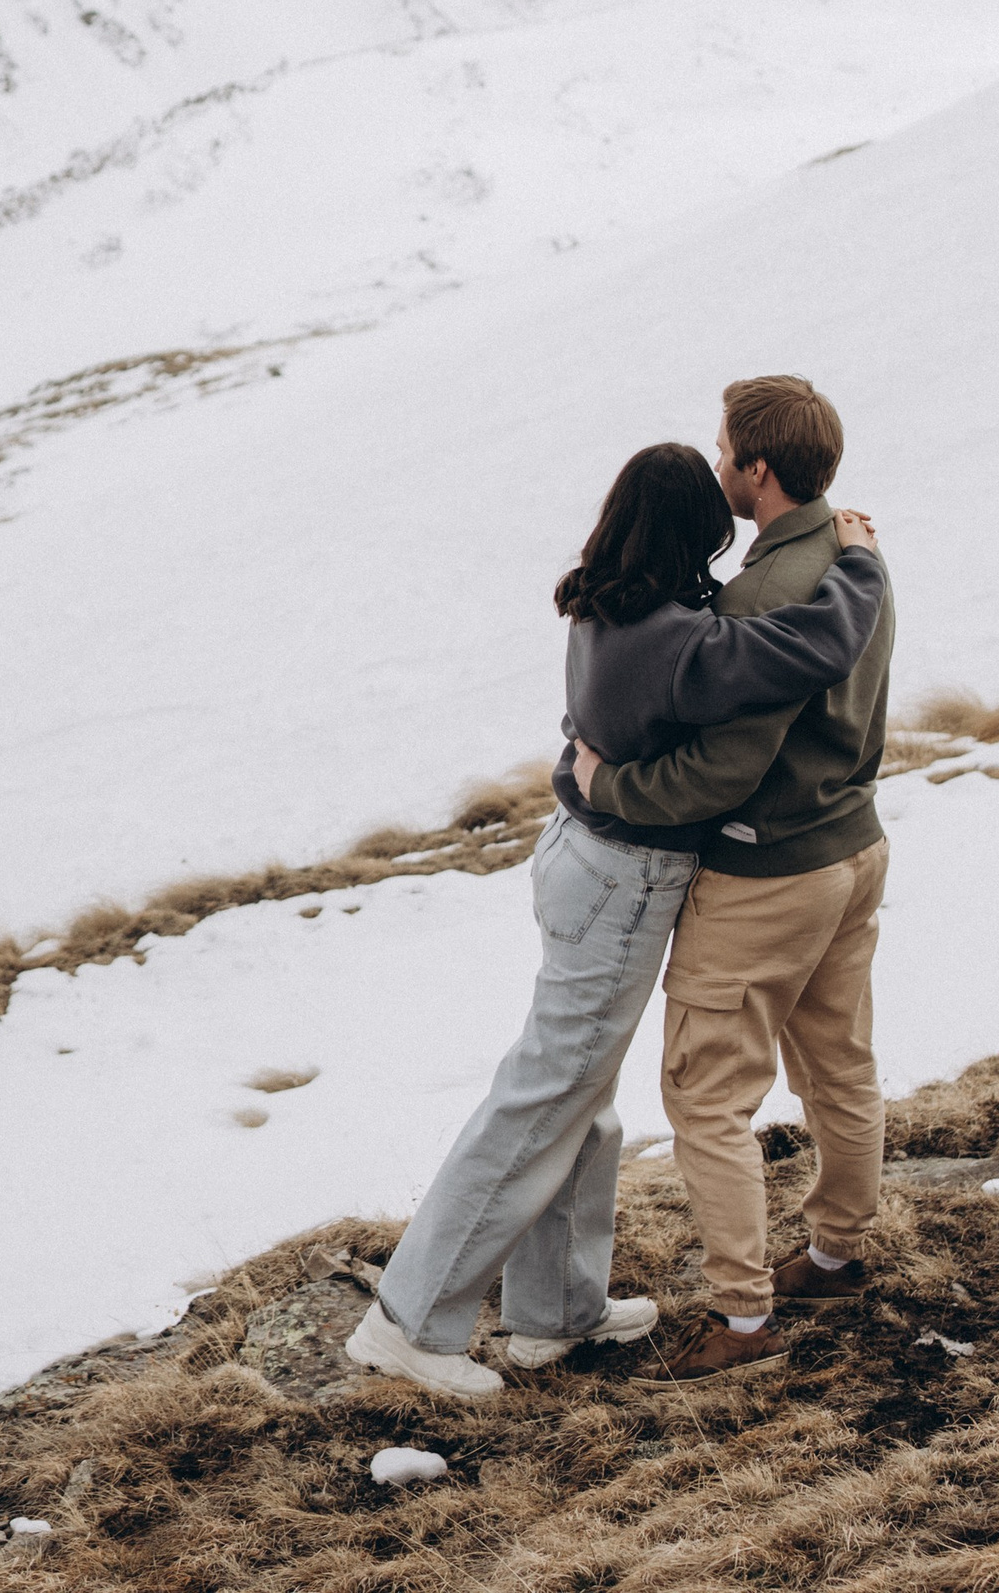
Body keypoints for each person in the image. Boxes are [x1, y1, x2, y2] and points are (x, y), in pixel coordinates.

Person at [347, 438, 889, 1397]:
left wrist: (584, 771)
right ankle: (412, 1321)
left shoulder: (608, 596)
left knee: (579, 1098)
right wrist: (858, 559)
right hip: (622, 877)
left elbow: (595, 732)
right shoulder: (684, 639)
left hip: (583, 859)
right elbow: (817, 645)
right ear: (694, 531)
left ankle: (554, 1314)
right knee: (546, 1094)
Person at [575, 374, 896, 1379]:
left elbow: (723, 768)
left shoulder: (762, 595)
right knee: (837, 1062)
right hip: (856, 848)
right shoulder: (856, 555)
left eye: (726, 450)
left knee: (706, 1096)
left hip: (769, 874)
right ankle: (835, 1251)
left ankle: (743, 1315)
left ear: (755, 468)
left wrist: (607, 781)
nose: (719, 466)